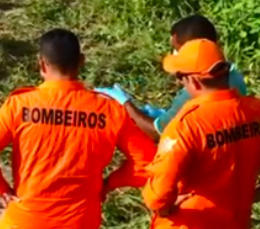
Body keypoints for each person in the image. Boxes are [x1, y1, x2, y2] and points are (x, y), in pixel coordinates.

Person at [0, 29, 156, 229]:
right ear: (81, 62)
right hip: (79, 220)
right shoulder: (107, 110)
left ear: (41, 64)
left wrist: (1, 187)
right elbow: (147, 161)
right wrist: (109, 184)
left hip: (28, 215)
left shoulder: (20, 105)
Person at [142, 38, 260, 229]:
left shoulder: (186, 126)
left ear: (193, 82)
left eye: (180, 78)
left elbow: (157, 196)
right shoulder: (254, 111)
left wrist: (163, 205)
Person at [96, 15, 248, 141]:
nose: (175, 54)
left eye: (177, 49)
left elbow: (158, 134)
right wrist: (166, 115)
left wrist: (126, 105)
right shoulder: (232, 73)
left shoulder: (197, 90)